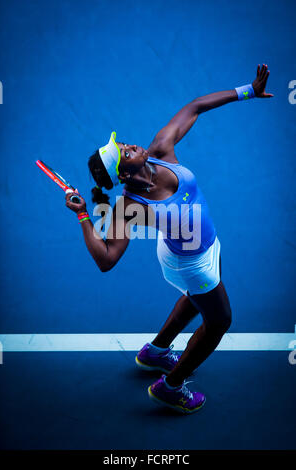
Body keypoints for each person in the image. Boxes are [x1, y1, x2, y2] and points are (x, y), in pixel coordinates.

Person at [65, 64, 273, 414]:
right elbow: (106, 259)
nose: (131, 145)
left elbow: (195, 107)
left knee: (198, 298)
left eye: (124, 143)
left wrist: (248, 91)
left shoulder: (161, 148)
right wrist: (84, 215)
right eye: (125, 152)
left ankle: (156, 351)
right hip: (188, 261)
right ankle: (171, 386)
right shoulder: (130, 206)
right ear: (124, 172)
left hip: (200, 245)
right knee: (220, 321)